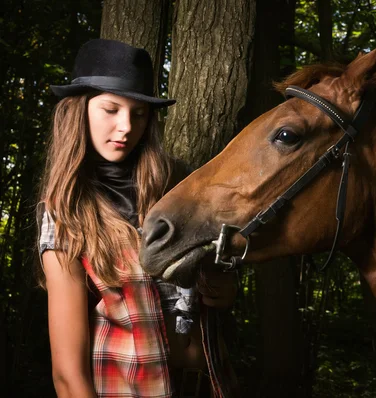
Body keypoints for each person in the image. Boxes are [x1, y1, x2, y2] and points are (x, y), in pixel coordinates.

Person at [36, 38, 237, 398]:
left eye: (139, 113)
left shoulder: (179, 187)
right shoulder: (67, 210)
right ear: (77, 112)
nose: (126, 126)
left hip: (207, 384)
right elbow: (68, 375)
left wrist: (223, 289)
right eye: (111, 109)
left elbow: (216, 284)